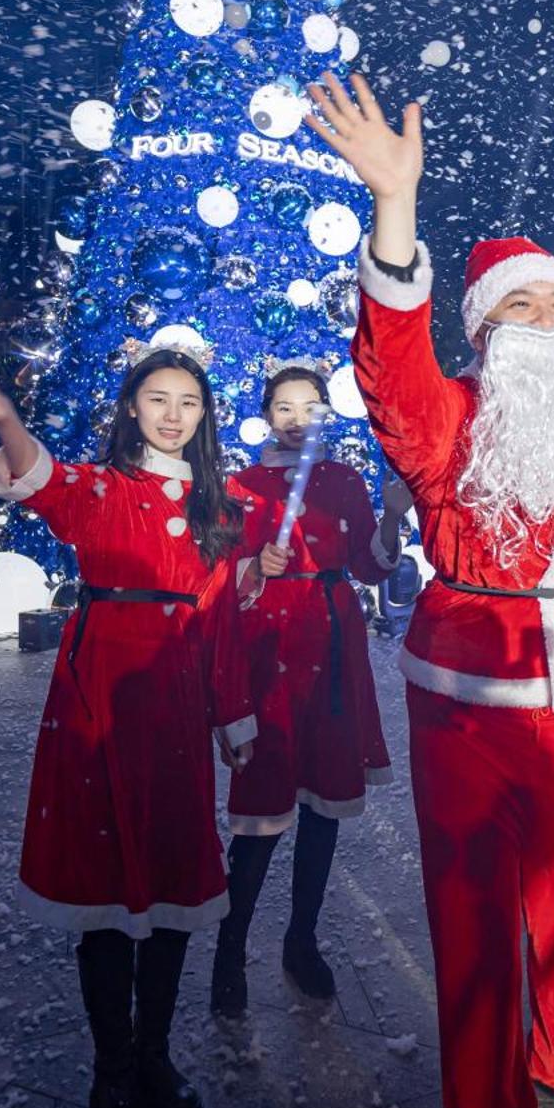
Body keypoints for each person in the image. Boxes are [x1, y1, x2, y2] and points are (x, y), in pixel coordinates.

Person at [308, 71, 554, 1108]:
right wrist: (394, 209)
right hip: (468, 707)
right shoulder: (444, 418)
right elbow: (389, 368)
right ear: (483, 332)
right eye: (520, 305)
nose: (548, 321)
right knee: (471, 928)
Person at [0, 347, 259, 1108]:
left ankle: (154, 1059)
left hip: (176, 703)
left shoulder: (223, 504)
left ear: (203, 416)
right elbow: (36, 472)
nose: (173, 414)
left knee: (172, 885)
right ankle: (112, 1067)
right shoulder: (99, 490)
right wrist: (2, 414)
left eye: (188, 402)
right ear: (132, 408)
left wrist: (231, 713)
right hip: (100, 697)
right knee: (104, 893)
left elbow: (223, 620)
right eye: (156, 398)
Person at [209, 360, 412, 1018]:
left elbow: (369, 565)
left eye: (310, 408)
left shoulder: (344, 481)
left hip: (331, 648)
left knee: (324, 806)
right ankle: (230, 948)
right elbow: (214, 577)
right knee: (261, 814)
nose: (298, 421)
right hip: (268, 654)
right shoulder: (239, 485)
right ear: (266, 414)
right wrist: (251, 567)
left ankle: (302, 937)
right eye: (284, 408)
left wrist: (390, 517)